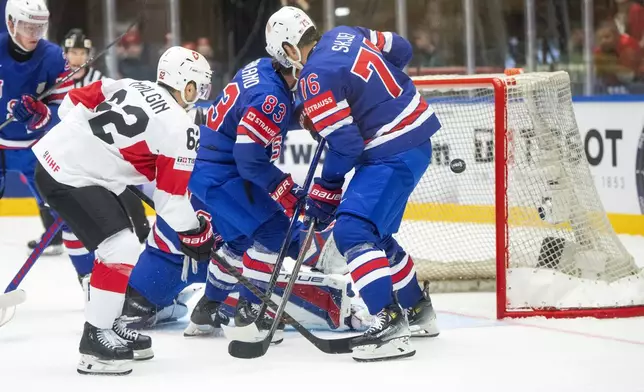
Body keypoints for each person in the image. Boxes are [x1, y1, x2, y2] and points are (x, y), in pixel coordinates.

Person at [265, 6, 440, 361]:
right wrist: (372, 96)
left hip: (391, 149)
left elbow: (346, 145)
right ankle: (418, 309)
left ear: (288, 49)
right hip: (414, 139)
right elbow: (402, 47)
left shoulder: (314, 78)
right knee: (375, 237)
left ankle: (389, 324)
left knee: (351, 233)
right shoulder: (346, 33)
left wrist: (325, 186)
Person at [32, 46, 215, 376]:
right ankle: (94, 342)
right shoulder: (181, 126)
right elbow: (170, 201)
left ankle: (109, 322)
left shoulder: (129, 83)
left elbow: (69, 106)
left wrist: (105, 154)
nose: (198, 96)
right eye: (199, 87)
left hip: (58, 160)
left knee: (127, 242)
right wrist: (195, 231)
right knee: (120, 247)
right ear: (186, 85)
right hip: (72, 175)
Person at [0, 0, 96, 280]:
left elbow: (65, 109)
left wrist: (41, 114)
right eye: (27, 25)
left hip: (37, 148)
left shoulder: (54, 56)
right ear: (10, 23)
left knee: (67, 216)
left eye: (39, 26)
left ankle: (91, 283)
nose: (34, 32)